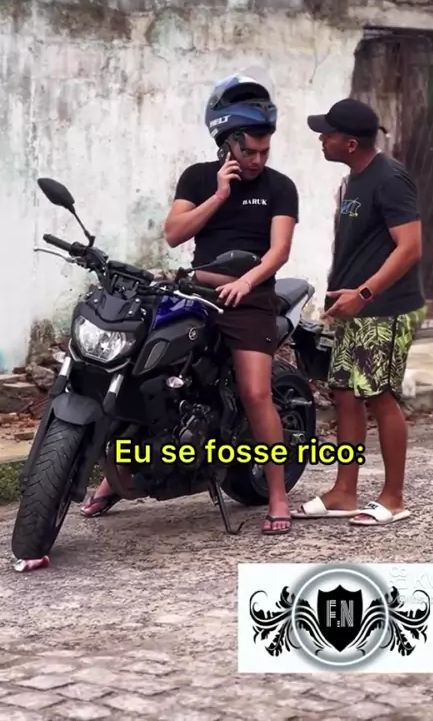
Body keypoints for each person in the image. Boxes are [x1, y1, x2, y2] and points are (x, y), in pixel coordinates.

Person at [80, 72, 299, 535]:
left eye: (264, 151)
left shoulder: (280, 187)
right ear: (227, 143)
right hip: (195, 293)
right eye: (249, 151)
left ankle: (278, 494)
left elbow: (279, 251)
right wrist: (219, 195)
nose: (258, 159)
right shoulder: (198, 178)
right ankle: (117, 477)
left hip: (251, 298)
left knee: (256, 392)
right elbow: (175, 233)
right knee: (143, 373)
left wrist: (248, 282)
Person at [292, 98, 426, 527]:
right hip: (353, 310)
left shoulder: (390, 179)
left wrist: (364, 294)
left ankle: (393, 498)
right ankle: (344, 492)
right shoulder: (353, 180)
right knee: (346, 394)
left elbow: (410, 248)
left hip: (384, 309)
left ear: (350, 143)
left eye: (327, 133)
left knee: (379, 395)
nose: (321, 138)